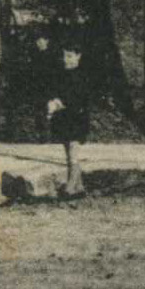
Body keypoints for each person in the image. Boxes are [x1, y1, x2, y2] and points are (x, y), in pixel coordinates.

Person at [46, 34, 91, 197]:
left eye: (70, 56)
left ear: (78, 56)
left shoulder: (81, 77)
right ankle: (79, 187)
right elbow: (58, 92)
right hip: (66, 119)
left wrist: (59, 103)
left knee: (73, 153)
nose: (66, 59)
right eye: (64, 56)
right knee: (68, 152)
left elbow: (77, 99)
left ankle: (70, 187)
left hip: (77, 119)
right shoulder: (63, 75)